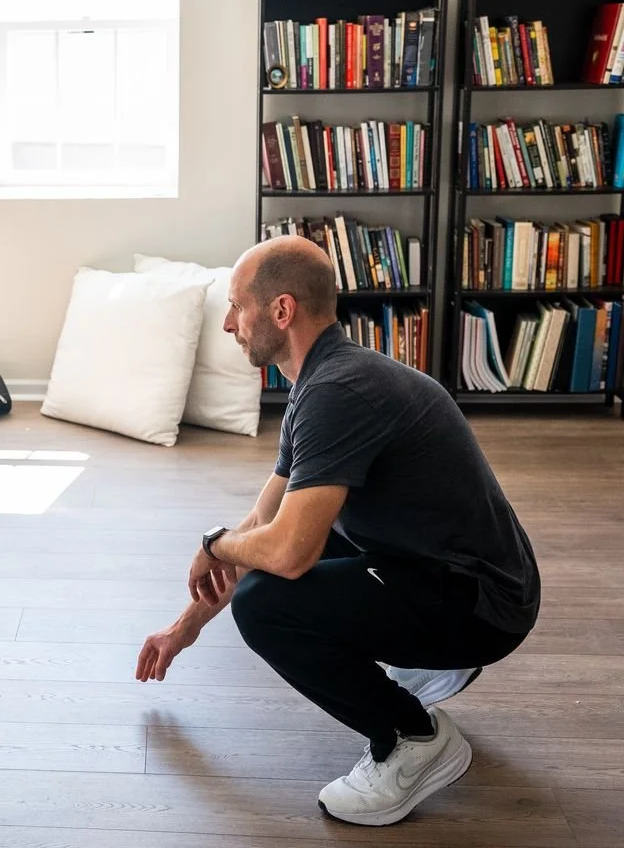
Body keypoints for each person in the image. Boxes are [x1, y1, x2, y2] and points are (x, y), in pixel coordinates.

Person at [135, 235, 540, 826]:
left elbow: (286, 552)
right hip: (461, 571)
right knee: (296, 542)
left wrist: (212, 544)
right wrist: (182, 629)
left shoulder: (338, 393)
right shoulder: (323, 383)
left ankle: (413, 739)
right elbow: (262, 524)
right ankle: (432, 661)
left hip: (485, 605)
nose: (228, 324)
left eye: (237, 306)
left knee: (266, 604)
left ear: (281, 310)